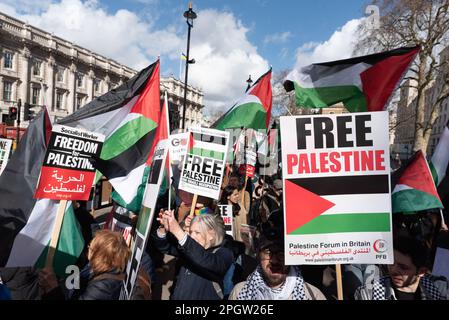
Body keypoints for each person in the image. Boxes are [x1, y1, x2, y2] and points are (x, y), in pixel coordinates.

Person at [38, 230, 151, 300]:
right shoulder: (120, 264)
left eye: (90, 248)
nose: (88, 250)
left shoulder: (103, 287)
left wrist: (53, 288)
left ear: (100, 254)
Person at [154, 211, 233, 300]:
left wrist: (178, 232)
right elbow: (165, 247)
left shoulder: (224, 253)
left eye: (197, 232)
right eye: (191, 232)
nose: (192, 236)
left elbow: (204, 259)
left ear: (211, 235)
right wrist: (164, 228)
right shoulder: (189, 249)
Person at [355, 228, 449, 300]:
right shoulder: (370, 293)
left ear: (421, 271)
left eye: (403, 267)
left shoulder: (439, 289)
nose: (393, 270)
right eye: (391, 263)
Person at [229, 232, 326, 300]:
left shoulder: (312, 295)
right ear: (258, 255)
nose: (274, 260)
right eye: (268, 252)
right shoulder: (240, 293)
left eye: (281, 253)